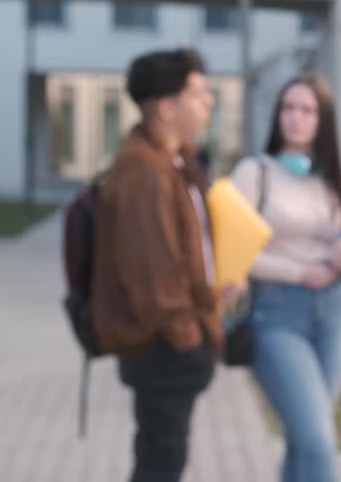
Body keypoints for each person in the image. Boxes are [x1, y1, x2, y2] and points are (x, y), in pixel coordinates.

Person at [92, 48, 242, 482]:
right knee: (160, 466)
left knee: (162, 460)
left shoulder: (172, 161)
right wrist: (190, 343)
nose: (208, 102)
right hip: (164, 347)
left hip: (172, 343)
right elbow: (154, 277)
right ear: (165, 107)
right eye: (198, 94)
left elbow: (185, 253)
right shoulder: (144, 172)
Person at [229, 73, 341, 482]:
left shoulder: (337, 181)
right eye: (288, 108)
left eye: (307, 110)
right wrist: (297, 272)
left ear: (322, 120)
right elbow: (234, 253)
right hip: (277, 315)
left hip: (335, 315)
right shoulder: (255, 173)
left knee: (303, 439)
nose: (296, 117)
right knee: (317, 440)